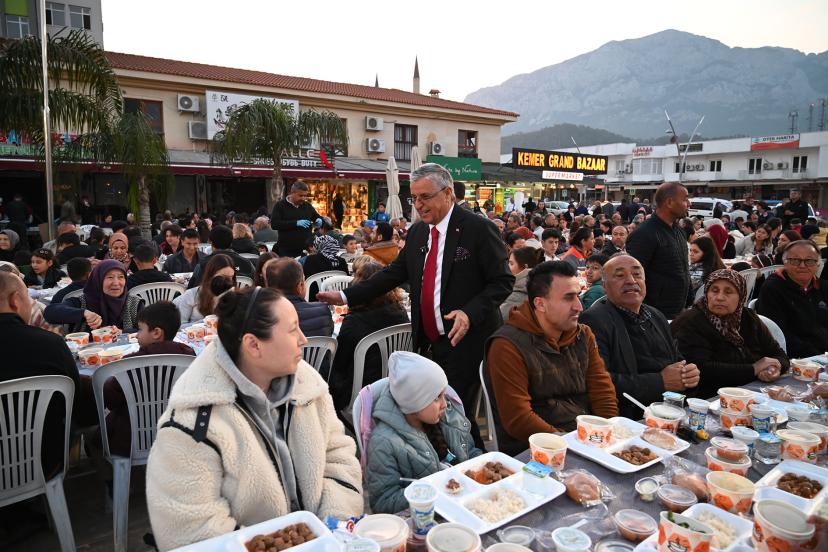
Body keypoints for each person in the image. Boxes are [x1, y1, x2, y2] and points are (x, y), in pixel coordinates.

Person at [146, 287, 363, 550]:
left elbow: (338, 456)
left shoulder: (307, 385)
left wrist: (330, 528)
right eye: (293, 330)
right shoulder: (191, 424)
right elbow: (190, 529)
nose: (303, 339)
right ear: (253, 345)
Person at [318, 163, 513, 446]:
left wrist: (470, 313)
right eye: (414, 198)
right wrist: (348, 296)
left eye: (425, 197)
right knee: (431, 415)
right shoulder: (420, 232)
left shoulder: (478, 229)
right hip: (428, 341)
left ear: (448, 194)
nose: (418, 205)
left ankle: (470, 462)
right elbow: (393, 273)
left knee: (456, 415)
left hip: (466, 340)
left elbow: (503, 281)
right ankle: (442, 460)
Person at [484, 262, 618, 456]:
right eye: (568, 298)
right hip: (536, 450)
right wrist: (571, 446)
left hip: (586, 438)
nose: (579, 306)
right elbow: (518, 419)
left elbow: (602, 390)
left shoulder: (583, 334)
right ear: (540, 304)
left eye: (578, 295)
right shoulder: (507, 345)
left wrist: (606, 437)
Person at [579, 255, 700, 419]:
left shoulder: (656, 316)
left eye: (637, 274)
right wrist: (660, 382)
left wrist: (688, 375)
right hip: (628, 419)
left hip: (669, 412)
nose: (631, 280)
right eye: (620, 275)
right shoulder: (594, 320)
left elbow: (677, 361)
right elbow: (598, 381)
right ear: (605, 286)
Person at [365, 351, 482, 513]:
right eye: (437, 397)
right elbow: (383, 502)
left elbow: (470, 452)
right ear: (415, 402)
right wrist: (432, 489)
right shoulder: (384, 443)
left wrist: (484, 467)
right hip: (425, 517)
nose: (445, 403)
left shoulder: (447, 418)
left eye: (444, 394)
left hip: (468, 503)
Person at [0, 272, 80, 478]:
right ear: (15, 301)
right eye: (28, 297)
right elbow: (74, 399)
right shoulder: (50, 344)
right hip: (44, 457)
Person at [99, 301, 196, 458]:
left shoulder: (130, 363)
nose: (137, 334)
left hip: (131, 437)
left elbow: (111, 398)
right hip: (178, 429)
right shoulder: (187, 355)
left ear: (156, 332)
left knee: (99, 434)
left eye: (140, 329)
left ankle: (114, 473)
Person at [672, 269, 787, 398]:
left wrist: (773, 369)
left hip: (752, 391)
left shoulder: (748, 318)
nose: (719, 297)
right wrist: (754, 369)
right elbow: (701, 369)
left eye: (728, 292)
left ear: (741, 296)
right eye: (714, 290)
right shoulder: (691, 321)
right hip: (709, 397)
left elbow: (778, 354)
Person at [329, 261, 410, 411]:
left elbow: (340, 364)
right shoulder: (401, 313)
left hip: (361, 393)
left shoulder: (354, 322)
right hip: (397, 385)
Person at [626, 183, 691, 319]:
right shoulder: (644, 233)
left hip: (678, 310)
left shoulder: (679, 231)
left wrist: (689, 298)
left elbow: (682, 267)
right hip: (653, 314)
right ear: (669, 202)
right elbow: (633, 276)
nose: (689, 204)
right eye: (685, 199)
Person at [757, 240, 828, 358]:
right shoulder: (773, 288)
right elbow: (777, 333)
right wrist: (817, 355)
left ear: (818, 264)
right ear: (785, 263)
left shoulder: (823, 286)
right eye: (795, 260)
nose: (802, 266)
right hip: (797, 357)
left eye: (809, 261)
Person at [44, 259, 144, 332]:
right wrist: (83, 313)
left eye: (121, 277)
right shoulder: (83, 301)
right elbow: (50, 312)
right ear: (98, 280)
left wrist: (122, 332)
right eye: (110, 277)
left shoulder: (134, 303)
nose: (116, 283)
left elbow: (146, 330)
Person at [264, 258, 334, 337]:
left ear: (267, 286)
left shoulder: (262, 318)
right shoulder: (322, 311)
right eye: (304, 280)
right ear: (300, 287)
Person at [174, 254, 237, 323]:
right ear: (211, 275)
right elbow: (181, 325)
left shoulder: (233, 295)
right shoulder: (191, 295)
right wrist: (206, 322)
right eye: (222, 277)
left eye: (231, 277)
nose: (228, 282)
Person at [187, 225, 254, 289]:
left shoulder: (203, 264)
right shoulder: (247, 263)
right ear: (231, 241)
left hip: (211, 297)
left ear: (211, 242)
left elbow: (193, 290)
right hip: (242, 296)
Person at [270, 181, 323, 257]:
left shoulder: (307, 206)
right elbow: (274, 224)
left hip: (306, 249)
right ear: (292, 193)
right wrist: (295, 223)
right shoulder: (280, 206)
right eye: (300, 196)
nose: (303, 198)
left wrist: (319, 220)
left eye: (305, 196)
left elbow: (317, 216)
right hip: (287, 249)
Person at [500, 246, 544, 319]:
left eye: (511, 264)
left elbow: (500, 318)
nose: (507, 267)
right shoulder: (542, 283)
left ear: (525, 266)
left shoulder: (519, 291)